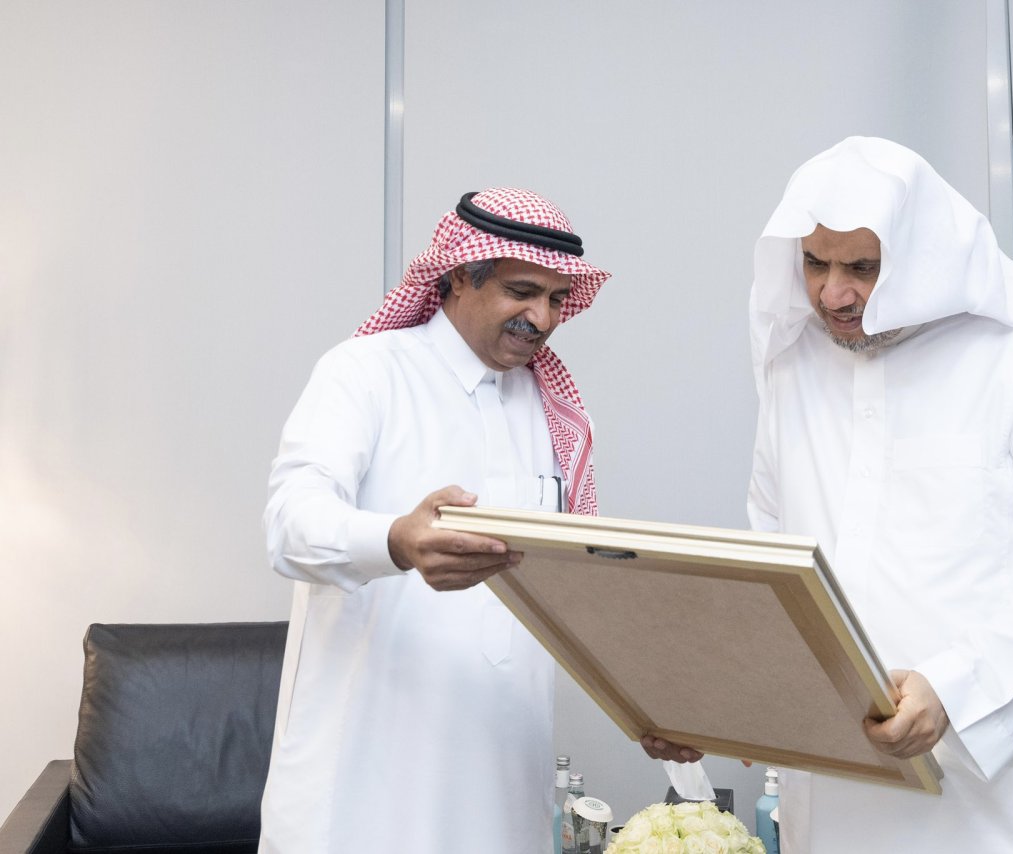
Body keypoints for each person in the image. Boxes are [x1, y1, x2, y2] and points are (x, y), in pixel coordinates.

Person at [257, 188, 697, 853]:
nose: (542, 318)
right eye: (522, 291)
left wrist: (647, 703)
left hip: (501, 782)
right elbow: (290, 524)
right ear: (461, 275)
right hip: (367, 781)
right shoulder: (366, 372)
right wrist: (395, 541)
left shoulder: (551, 408)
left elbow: (572, 589)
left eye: (557, 299)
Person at [746, 138, 1013, 852]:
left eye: (862, 268)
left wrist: (954, 690)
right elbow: (774, 551)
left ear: (921, 258)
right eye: (814, 263)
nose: (832, 294)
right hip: (849, 793)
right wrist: (743, 689)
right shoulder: (795, 363)